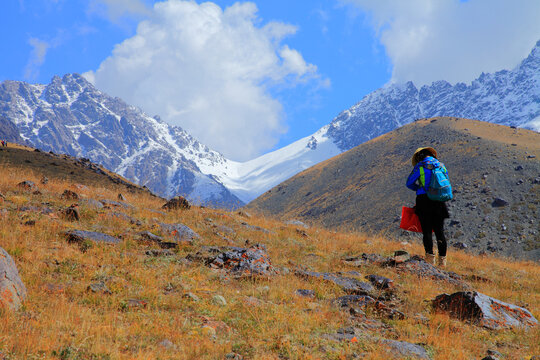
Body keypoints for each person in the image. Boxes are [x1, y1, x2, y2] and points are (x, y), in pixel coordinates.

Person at [406, 147, 450, 266]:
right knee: (440, 232)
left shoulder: (419, 166)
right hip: (439, 201)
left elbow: (409, 183)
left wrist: (420, 189)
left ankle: (430, 260)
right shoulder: (441, 166)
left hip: (424, 201)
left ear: (420, 156)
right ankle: (442, 262)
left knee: (427, 231)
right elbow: (446, 181)